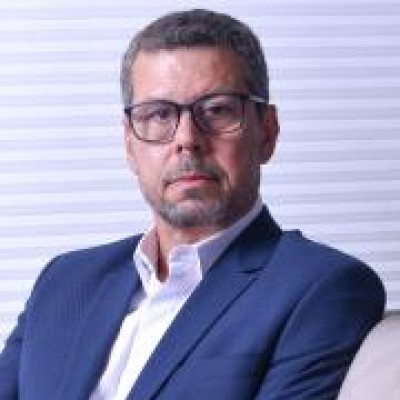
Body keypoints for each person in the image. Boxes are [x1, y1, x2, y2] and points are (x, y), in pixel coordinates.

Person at [0, 8, 385, 400]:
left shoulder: (322, 289)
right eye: (158, 114)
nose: (187, 139)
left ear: (266, 133)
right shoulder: (64, 281)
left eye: (217, 110)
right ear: (130, 145)